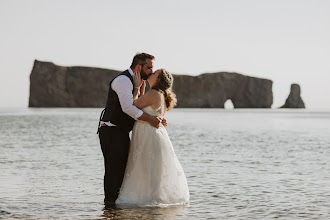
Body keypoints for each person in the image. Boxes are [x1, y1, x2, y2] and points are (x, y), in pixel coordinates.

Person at [116, 69, 190, 206]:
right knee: (150, 167)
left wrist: (137, 87)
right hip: (153, 133)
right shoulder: (159, 94)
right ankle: (152, 198)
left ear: (159, 79)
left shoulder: (154, 93)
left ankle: (146, 199)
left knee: (145, 166)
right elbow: (144, 106)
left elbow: (132, 106)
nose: (151, 73)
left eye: (155, 73)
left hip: (148, 134)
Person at [98, 53, 164, 205]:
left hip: (120, 131)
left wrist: (138, 90)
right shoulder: (122, 81)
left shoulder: (136, 82)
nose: (151, 71)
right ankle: (109, 206)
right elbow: (128, 108)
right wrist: (151, 120)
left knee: (121, 169)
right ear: (139, 67)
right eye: (149, 68)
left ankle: (114, 206)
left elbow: (138, 104)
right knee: (114, 170)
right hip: (111, 130)